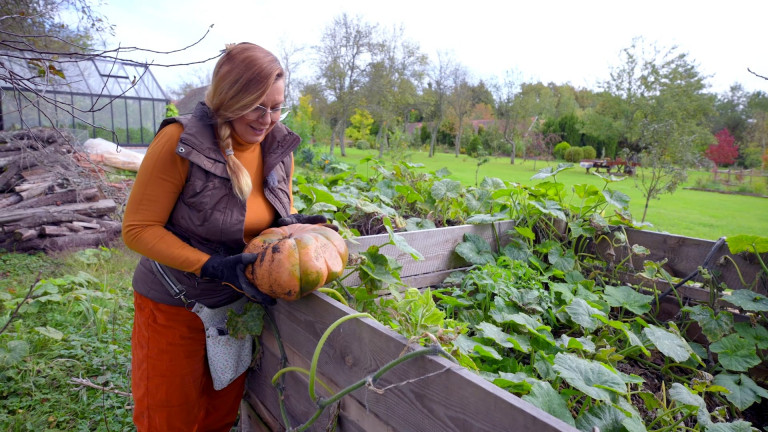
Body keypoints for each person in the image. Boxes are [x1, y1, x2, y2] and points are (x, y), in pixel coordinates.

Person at [122, 42, 326, 431]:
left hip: (235, 308)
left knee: (219, 414)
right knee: (168, 419)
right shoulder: (181, 141)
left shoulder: (278, 147)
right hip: (175, 304)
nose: (268, 119)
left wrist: (291, 224)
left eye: (277, 106)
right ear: (230, 98)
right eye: (257, 106)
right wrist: (210, 265)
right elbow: (137, 230)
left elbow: (260, 218)